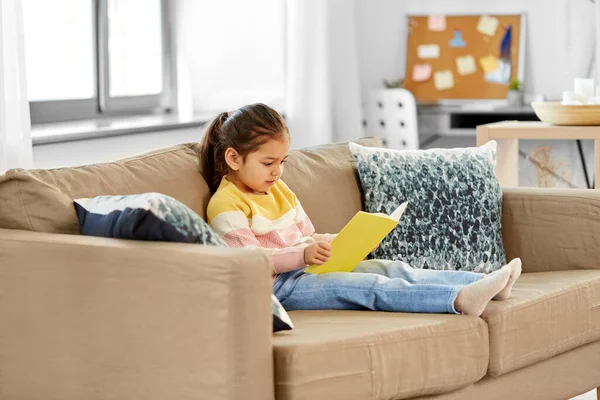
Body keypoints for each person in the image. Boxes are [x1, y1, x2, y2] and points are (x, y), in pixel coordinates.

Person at [199, 103, 521, 317]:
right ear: (233, 158)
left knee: (391, 268)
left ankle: (481, 280)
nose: (277, 172)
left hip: (307, 270)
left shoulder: (277, 188)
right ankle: (458, 299)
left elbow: (306, 237)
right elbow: (249, 262)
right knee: (371, 288)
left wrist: (341, 240)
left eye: (282, 162)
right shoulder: (225, 205)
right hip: (279, 288)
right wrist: (303, 256)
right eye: (268, 163)